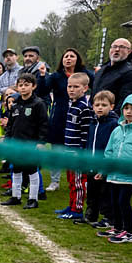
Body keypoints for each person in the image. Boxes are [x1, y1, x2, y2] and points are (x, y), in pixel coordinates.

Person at [43, 48, 92, 191]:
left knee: (76, 154)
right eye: (66, 56)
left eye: (72, 56)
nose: (68, 58)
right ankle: (55, 181)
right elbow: (43, 89)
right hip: (59, 118)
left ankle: (81, 183)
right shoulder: (56, 76)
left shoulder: (85, 76)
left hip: (76, 124)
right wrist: (41, 77)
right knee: (56, 151)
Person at [96, 94, 132, 243]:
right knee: (114, 200)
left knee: (123, 201)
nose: (129, 112)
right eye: (126, 108)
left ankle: (129, 232)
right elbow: (109, 152)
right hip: (114, 173)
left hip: (130, 173)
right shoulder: (117, 130)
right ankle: (117, 227)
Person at [0, 74, 49, 209]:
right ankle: (16, 197)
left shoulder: (38, 104)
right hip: (16, 144)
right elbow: (11, 125)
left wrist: (41, 142)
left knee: (32, 171)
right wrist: (7, 138)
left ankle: (33, 199)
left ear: (34, 86)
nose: (23, 87)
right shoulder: (15, 105)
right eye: (20, 85)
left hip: (31, 145)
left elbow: (43, 124)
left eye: (26, 85)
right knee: (16, 171)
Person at [54, 72, 93, 222]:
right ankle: (71, 206)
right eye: (69, 86)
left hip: (77, 152)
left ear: (85, 88)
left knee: (78, 181)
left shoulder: (84, 108)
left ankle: (77, 209)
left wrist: (81, 151)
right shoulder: (73, 104)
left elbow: (85, 133)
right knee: (71, 180)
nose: (71, 89)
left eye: (76, 87)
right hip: (69, 149)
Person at [84, 91, 118, 228]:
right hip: (92, 163)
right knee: (92, 190)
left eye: (104, 105)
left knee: (105, 192)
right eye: (97, 104)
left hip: (104, 164)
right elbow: (89, 142)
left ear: (111, 106)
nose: (100, 108)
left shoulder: (113, 124)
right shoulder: (93, 122)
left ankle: (108, 217)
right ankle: (91, 214)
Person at [91, 38, 132, 111]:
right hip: (94, 116)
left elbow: (124, 100)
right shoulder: (101, 70)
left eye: (122, 47)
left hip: (111, 118)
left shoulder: (130, 73)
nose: (117, 49)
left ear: (129, 52)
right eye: (114, 46)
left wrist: (113, 117)